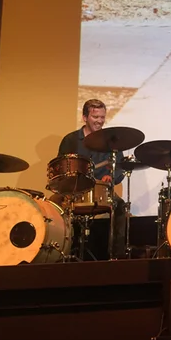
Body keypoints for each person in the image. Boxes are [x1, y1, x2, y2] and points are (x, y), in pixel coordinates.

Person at [57, 99, 128, 259]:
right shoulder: (71, 140)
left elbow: (120, 169)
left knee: (120, 206)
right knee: (53, 207)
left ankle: (116, 255)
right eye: (96, 117)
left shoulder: (111, 141)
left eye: (102, 117)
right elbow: (61, 168)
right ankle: (62, 252)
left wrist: (112, 177)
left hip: (101, 190)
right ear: (84, 117)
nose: (100, 121)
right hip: (75, 190)